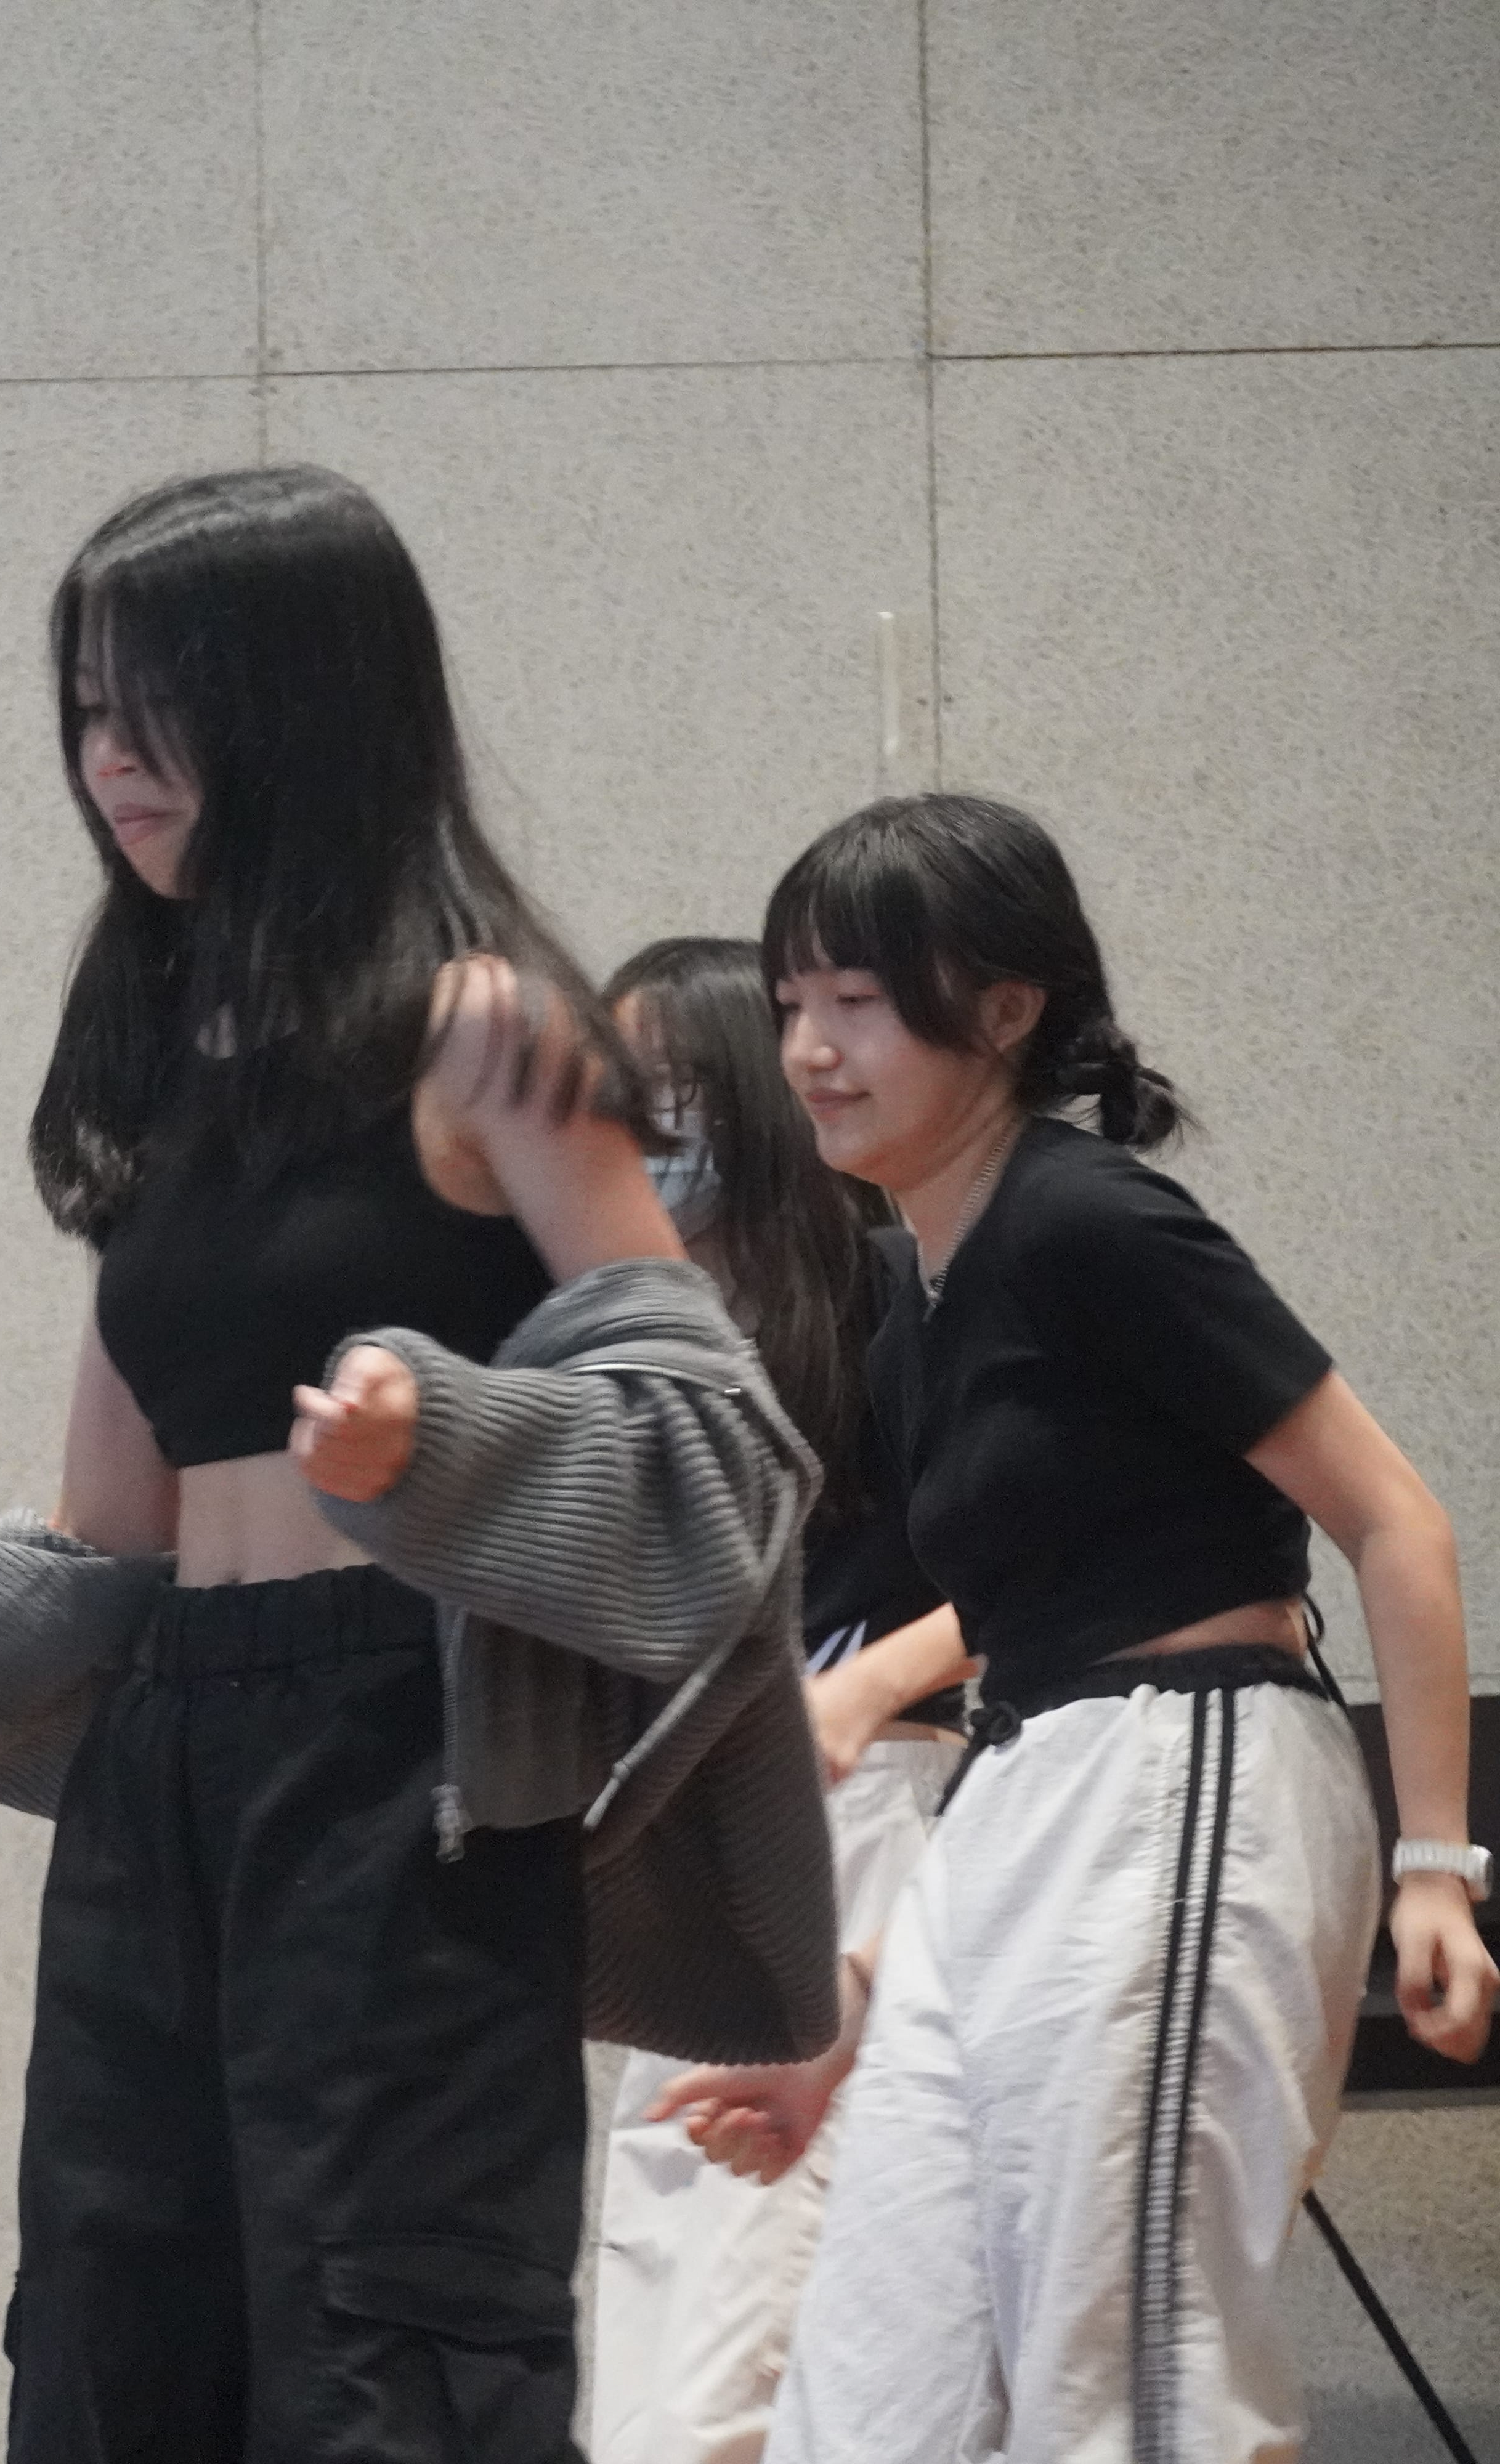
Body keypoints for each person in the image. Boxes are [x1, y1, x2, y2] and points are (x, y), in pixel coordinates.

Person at [0, 467, 825, 2463]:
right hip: (167, 1767)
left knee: (384, 2350)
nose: (109, 763)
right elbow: (94, 1556)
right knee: (112, 2328)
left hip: (408, 1771)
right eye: (85, 711)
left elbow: (718, 1451)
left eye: (159, 710)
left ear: (306, 706)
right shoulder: (165, 1074)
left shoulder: (491, 1032)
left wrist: (445, 1442)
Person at [654, 795, 1496, 2463]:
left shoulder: (1088, 1220)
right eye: (791, 1001)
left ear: (1006, 1009)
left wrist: (1434, 1867)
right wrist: (860, 2019)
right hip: (1031, 1788)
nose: (809, 1048)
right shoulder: (920, 1302)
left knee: (1125, 2391)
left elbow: (1394, 1517)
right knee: (864, 2417)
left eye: (857, 1000)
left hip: (1186, 1778)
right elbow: (1030, 1624)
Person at [587, 937, 977, 2464]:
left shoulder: (895, 1303)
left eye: (664, 1095)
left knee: (761, 2364)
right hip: (686, 1870)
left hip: (867, 1831)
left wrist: (874, 1679)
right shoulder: (639, 1346)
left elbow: (1059, 1569)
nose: (634, 1132)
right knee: (652, 2370)